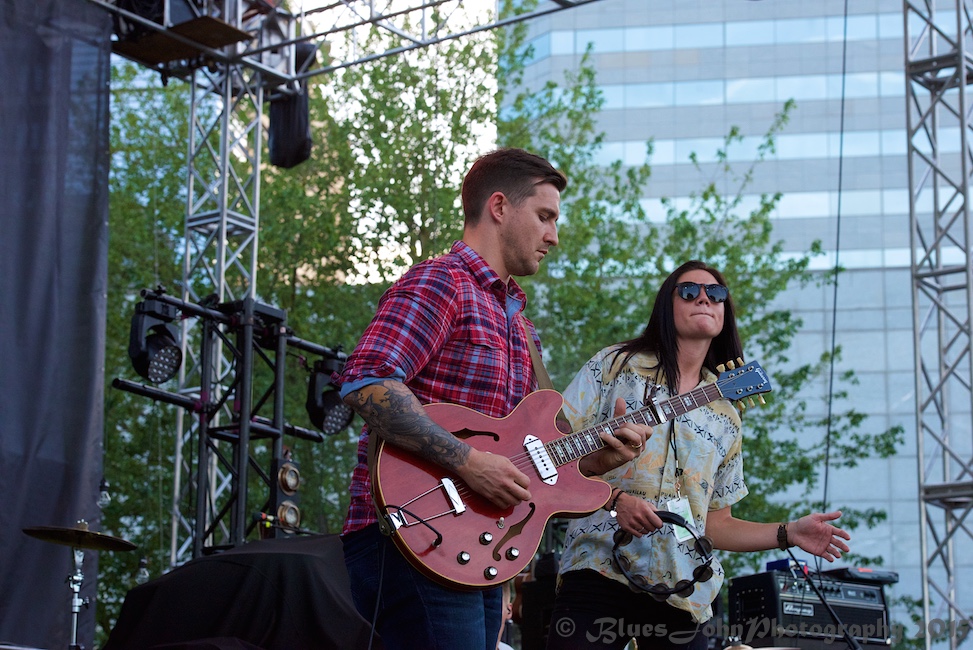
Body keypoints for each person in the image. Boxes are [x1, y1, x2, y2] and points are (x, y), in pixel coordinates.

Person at [336, 148, 650, 650]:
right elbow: (367, 381)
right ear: (500, 207)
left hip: (477, 550)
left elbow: (530, 459)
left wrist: (598, 458)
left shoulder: (522, 328)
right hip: (412, 533)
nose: (554, 235)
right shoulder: (441, 281)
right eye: (545, 216)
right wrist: (466, 460)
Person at [545, 260, 852, 650]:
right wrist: (614, 501)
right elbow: (551, 451)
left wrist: (787, 533)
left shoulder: (726, 416)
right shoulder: (615, 366)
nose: (705, 298)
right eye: (689, 291)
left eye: (716, 293)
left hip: (683, 589)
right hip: (598, 570)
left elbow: (715, 524)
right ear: (666, 307)